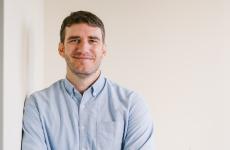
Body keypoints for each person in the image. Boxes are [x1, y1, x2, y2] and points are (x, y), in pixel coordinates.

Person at [21, 11, 154, 150]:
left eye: (92, 40)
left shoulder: (132, 105)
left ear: (103, 49)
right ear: (61, 49)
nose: (83, 48)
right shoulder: (37, 105)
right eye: (74, 40)